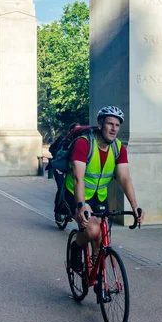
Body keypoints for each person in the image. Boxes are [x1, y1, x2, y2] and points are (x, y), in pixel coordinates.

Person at [66, 106, 144, 270]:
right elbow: (78, 178)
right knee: (93, 230)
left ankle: (97, 278)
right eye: (110, 124)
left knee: (102, 236)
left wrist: (135, 206)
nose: (114, 128)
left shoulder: (118, 148)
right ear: (100, 125)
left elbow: (125, 178)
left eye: (117, 125)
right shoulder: (84, 144)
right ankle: (76, 247)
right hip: (75, 193)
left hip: (99, 196)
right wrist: (81, 205)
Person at [50, 122, 80, 216]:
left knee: (71, 189)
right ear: (70, 131)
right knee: (61, 187)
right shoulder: (63, 139)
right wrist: (57, 159)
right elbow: (51, 149)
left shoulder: (81, 142)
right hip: (60, 168)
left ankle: (69, 208)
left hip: (71, 169)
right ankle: (58, 211)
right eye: (75, 130)